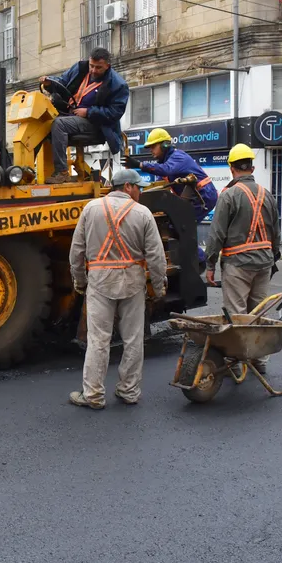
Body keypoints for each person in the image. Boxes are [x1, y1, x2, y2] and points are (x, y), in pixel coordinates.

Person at [68, 169, 168, 409]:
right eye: (139, 188)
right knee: (133, 339)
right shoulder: (143, 214)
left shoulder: (91, 209)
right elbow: (156, 255)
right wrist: (158, 286)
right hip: (132, 281)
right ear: (127, 187)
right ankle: (129, 391)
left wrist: (80, 281)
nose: (140, 192)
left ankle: (93, 395)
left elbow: (76, 252)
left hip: (100, 282)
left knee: (98, 340)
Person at [204, 144, 281, 373]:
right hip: (264, 263)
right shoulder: (267, 195)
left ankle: (236, 364)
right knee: (258, 312)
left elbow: (216, 233)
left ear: (231, 168)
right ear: (252, 167)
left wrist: (210, 264)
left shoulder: (229, 195)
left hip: (238, 265)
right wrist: (272, 258)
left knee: (236, 314)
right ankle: (260, 361)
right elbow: (275, 233)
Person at [124, 127, 219, 270]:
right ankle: (194, 258)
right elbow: (158, 184)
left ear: (164, 145)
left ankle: (200, 259)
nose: (151, 151)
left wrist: (140, 165)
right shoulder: (167, 162)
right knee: (175, 226)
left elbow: (166, 169)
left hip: (204, 196)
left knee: (181, 226)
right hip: (195, 197)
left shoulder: (178, 157)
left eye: (153, 147)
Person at [41, 48, 130, 185]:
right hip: (70, 116)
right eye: (91, 66)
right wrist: (50, 83)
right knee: (42, 122)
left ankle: (62, 172)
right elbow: (62, 82)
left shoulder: (118, 85)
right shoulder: (80, 69)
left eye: (98, 67)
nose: (93, 70)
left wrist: (88, 112)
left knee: (59, 124)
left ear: (107, 65)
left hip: (97, 126)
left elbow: (114, 113)